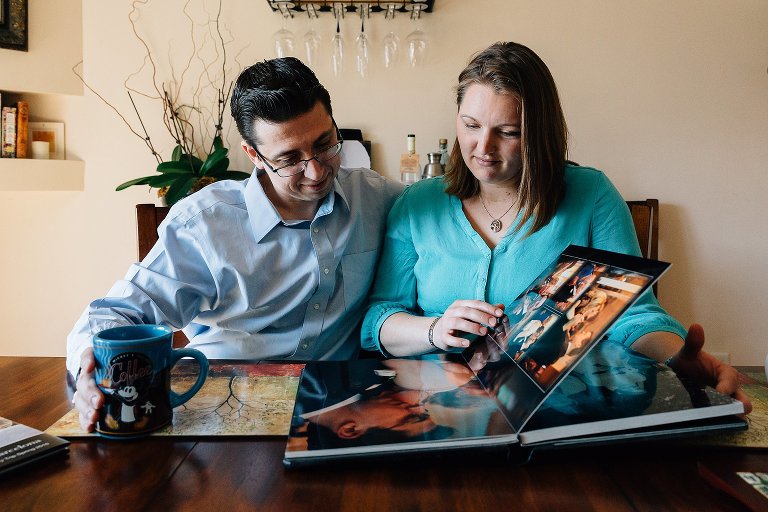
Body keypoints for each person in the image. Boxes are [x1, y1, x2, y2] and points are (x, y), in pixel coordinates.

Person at [361, 41, 751, 411]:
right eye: (471, 125)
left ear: (539, 132)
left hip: (560, 408)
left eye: (508, 132)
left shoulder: (592, 194)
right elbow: (380, 319)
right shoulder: (417, 205)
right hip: (439, 407)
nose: (483, 147)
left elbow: (633, 315)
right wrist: (435, 330)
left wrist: (678, 357)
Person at [68, 57, 403, 431]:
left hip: (337, 409)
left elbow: (455, 206)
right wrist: (87, 370)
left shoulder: (378, 198)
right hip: (220, 405)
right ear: (254, 156)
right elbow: (117, 313)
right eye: (289, 159)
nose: (316, 170)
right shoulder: (204, 225)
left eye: (325, 144)